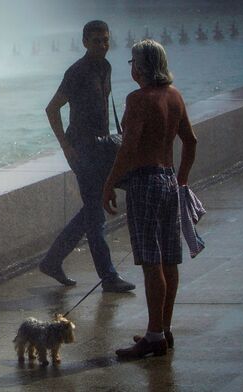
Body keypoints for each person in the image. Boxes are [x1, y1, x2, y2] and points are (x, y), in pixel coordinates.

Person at [102, 40, 197, 358]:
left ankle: (153, 335)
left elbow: (128, 148)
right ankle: (163, 329)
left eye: (132, 62)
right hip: (169, 179)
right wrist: (181, 177)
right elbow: (191, 141)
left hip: (144, 182)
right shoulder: (175, 96)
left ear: (140, 67)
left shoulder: (138, 99)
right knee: (170, 258)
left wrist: (109, 183)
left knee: (151, 261)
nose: (130, 67)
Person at [39, 20, 136, 292]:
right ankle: (108, 277)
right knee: (95, 215)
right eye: (97, 41)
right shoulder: (77, 72)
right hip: (82, 150)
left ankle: (52, 260)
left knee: (92, 210)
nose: (103, 45)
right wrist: (66, 147)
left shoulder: (105, 67)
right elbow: (52, 109)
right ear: (84, 42)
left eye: (106, 40)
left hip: (103, 149)